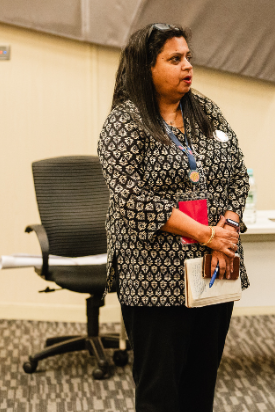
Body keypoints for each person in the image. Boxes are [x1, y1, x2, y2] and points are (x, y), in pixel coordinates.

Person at [98, 23, 249, 412]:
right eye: (174, 59)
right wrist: (205, 234)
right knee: (160, 392)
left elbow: (238, 173)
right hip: (155, 277)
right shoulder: (124, 121)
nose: (187, 66)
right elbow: (131, 198)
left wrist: (227, 230)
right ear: (146, 67)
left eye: (188, 57)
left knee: (201, 384)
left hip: (213, 266)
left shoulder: (205, 110)